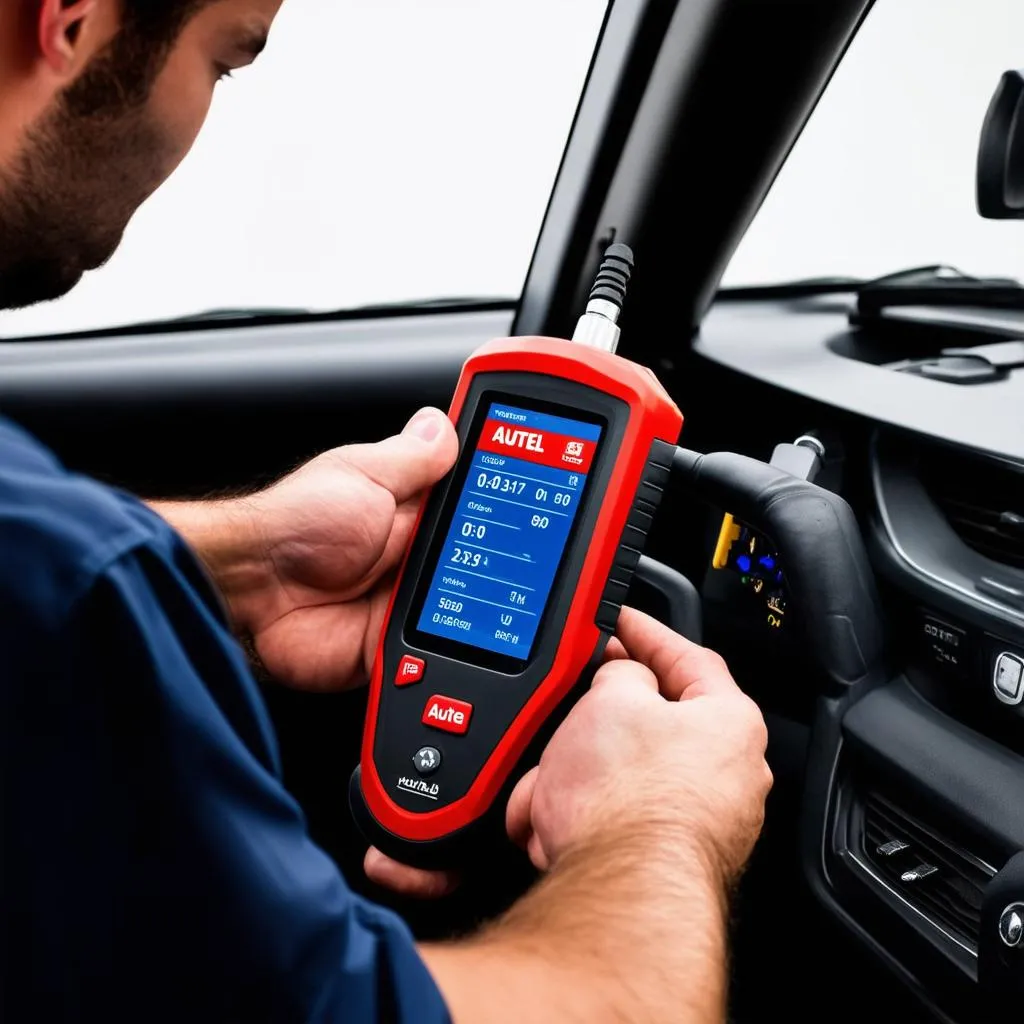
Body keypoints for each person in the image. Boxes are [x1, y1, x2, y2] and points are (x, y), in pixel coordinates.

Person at [0, 1, 773, 1021]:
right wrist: (663, 821)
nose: (201, 120)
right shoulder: (74, 608)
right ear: (68, 22)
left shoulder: (54, 575)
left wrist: (245, 559)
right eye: (224, 65)